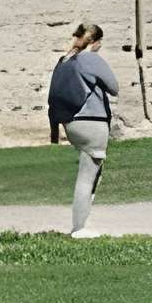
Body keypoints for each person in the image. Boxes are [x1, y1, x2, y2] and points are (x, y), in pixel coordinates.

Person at [45, 22, 129, 238]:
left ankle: (83, 223)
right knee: (87, 176)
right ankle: (79, 228)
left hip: (71, 123)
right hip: (92, 121)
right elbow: (114, 87)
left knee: (92, 173)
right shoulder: (90, 58)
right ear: (96, 41)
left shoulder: (64, 60)